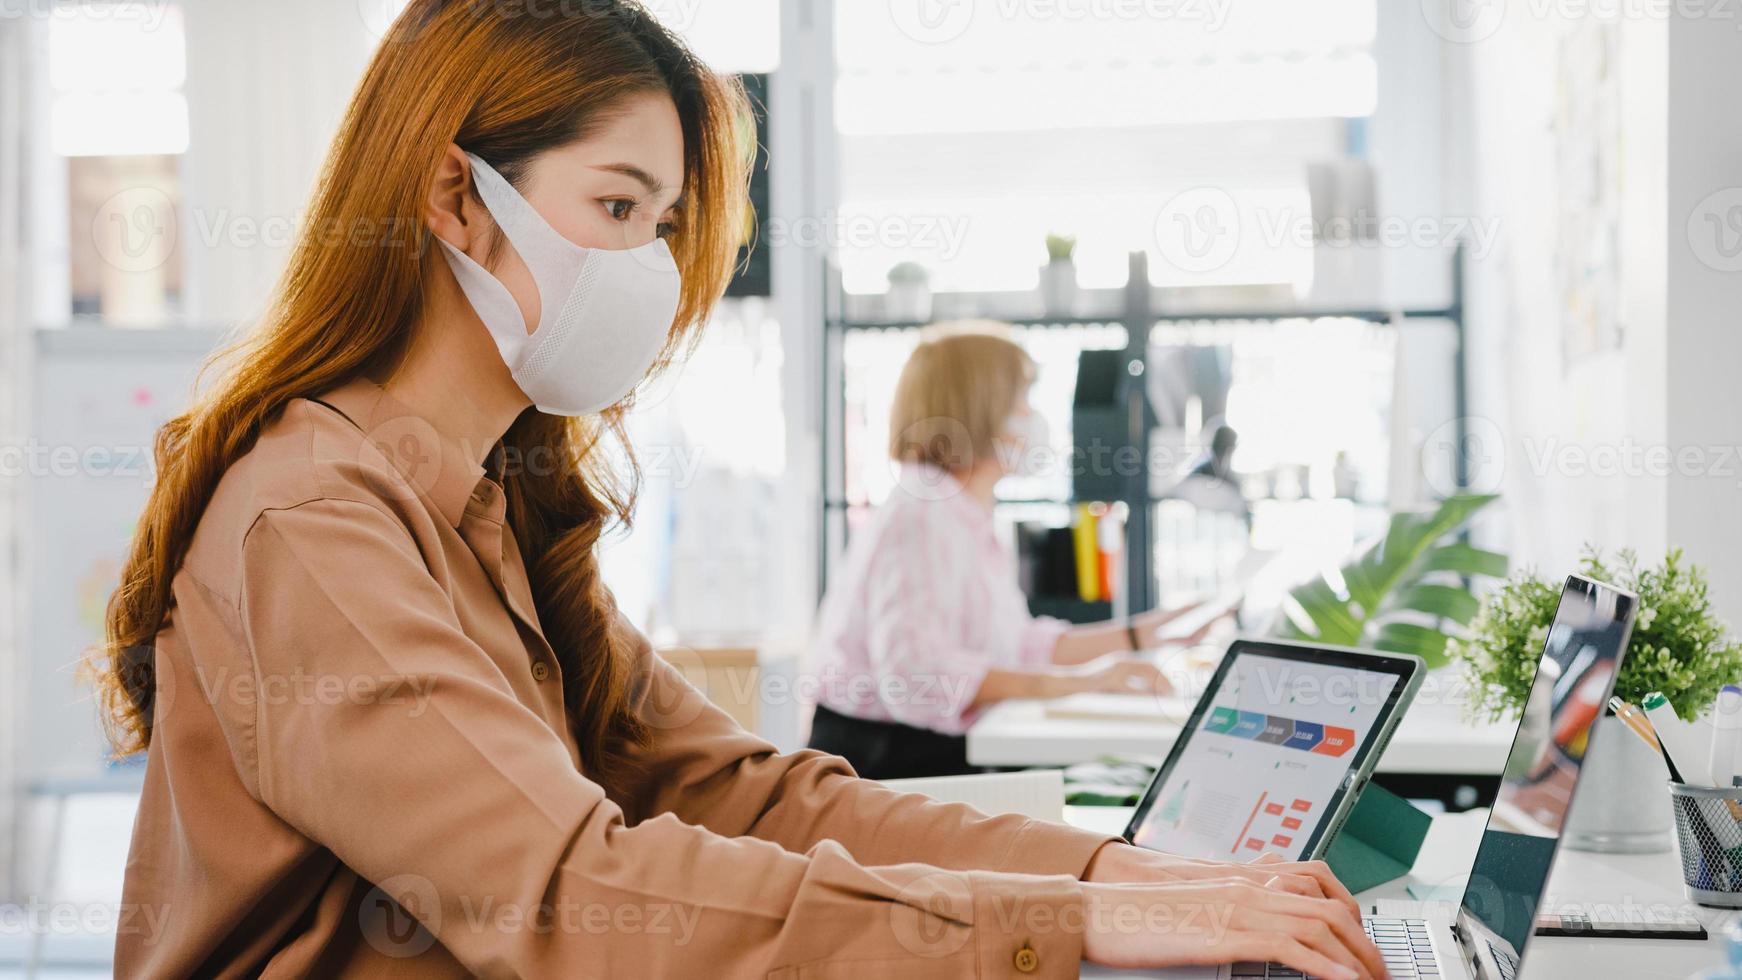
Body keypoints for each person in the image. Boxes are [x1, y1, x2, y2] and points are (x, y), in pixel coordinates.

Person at [92, 4, 1385, 978]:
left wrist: (1123, 874)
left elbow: (748, 794)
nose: (650, 268)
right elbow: (569, 894)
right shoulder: (313, 517)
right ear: (453, 198)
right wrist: (1076, 921)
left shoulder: (487, 506)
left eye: (661, 219)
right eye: (615, 204)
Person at [807, 326, 1222, 779]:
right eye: (1022, 400)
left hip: (913, 747)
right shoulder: (925, 514)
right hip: (880, 757)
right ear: (980, 408)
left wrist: (1141, 635)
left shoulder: (963, 512)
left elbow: (1017, 644)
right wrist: (1086, 681)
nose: (1032, 417)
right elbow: (917, 676)